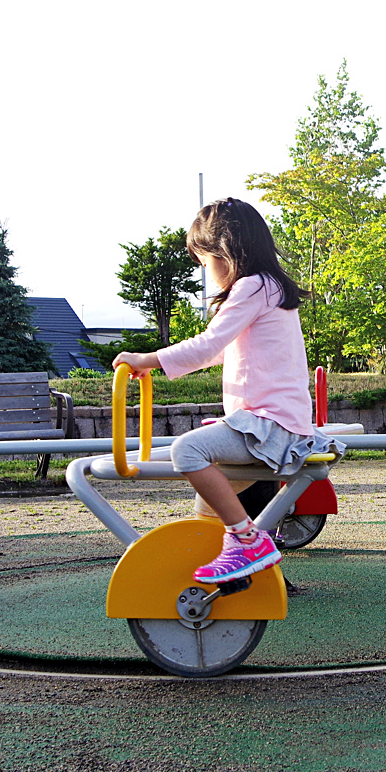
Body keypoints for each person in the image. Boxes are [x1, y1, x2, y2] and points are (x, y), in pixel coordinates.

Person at [113, 198, 333, 584]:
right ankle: (233, 572)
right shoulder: (272, 290)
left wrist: (144, 358)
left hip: (270, 426)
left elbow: (207, 345)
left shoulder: (252, 287)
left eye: (205, 261)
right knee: (208, 506)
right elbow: (222, 353)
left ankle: (248, 541)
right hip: (272, 423)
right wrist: (162, 363)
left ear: (226, 252)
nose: (206, 272)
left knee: (188, 449)